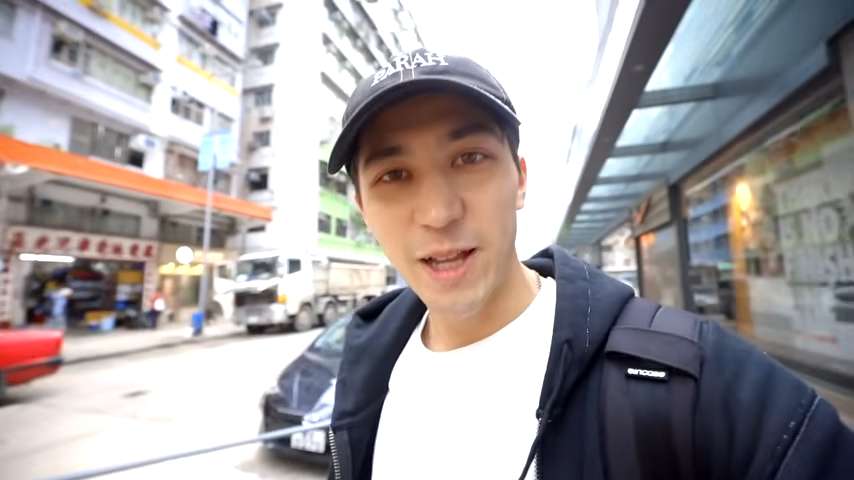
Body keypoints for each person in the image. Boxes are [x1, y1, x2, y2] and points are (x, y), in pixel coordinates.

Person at [324, 49, 854, 479]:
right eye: (394, 175)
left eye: (469, 158)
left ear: (520, 179)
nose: (439, 213)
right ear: (364, 208)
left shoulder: (691, 378)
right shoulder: (365, 371)